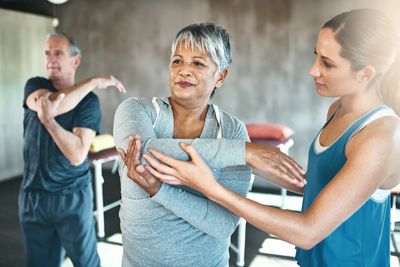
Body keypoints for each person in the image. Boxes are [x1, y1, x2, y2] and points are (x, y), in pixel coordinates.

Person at [138, 9, 400, 267]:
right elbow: (330, 186)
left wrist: (211, 188)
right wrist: (256, 163)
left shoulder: (381, 137)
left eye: (327, 63)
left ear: (365, 74)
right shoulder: (338, 109)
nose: (313, 70)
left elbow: (307, 232)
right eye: (316, 57)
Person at [114, 22, 305, 267]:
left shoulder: (232, 130)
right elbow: (140, 155)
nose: (184, 71)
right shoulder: (137, 109)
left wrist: (160, 190)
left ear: (221, 76)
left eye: (198, 63)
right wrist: (242, 152)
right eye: (177, 61)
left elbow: (223, 224)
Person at [19, 32, 125, 267]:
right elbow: (52, 106)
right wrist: (94, 82)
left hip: (71, 198)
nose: (50, 59)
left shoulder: (89, 103)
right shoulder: (35, 85)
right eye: (47, 53)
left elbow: (77, 155)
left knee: (85, 263)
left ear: (75, 61)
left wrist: (48, 122)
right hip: (33, 197)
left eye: (58, 53)